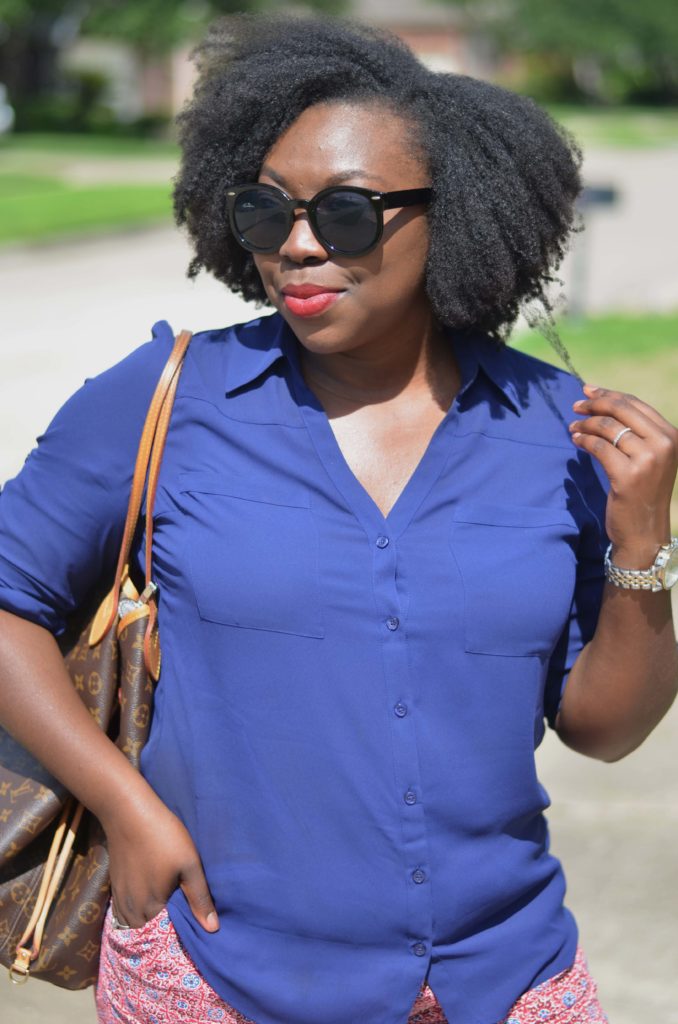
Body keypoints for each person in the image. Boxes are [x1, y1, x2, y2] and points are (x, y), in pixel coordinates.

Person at [1, 13, 677, 1024]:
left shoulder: (551, 429)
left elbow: (604, 730)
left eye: (348, 214)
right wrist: (126, 806)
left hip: (505, 978)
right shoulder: (168, 397)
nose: (300, 247)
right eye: (268, 213)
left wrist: (641, 545)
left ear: (454, 214)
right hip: (219, 977)